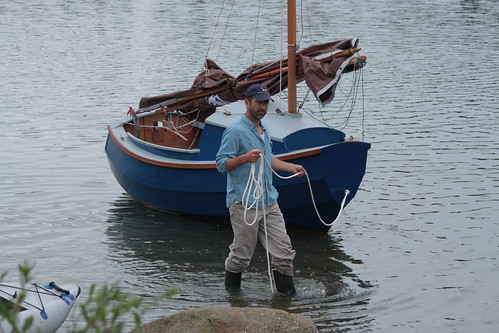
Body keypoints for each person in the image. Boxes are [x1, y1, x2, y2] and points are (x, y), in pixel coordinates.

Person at [215, 83, 306, 297]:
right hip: (244, 203)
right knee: (242, 256)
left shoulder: (263, 130)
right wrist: (244, 158)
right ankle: (232, 294)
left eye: (265, 103)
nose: (262, 107)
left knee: (283, 252)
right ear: (247, 103)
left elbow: (268, 159)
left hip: (269, 201)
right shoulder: (235, 131)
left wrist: (291, 167)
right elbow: (221, 164)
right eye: (259, 103)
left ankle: (288, 298)